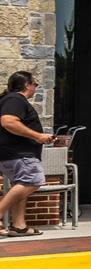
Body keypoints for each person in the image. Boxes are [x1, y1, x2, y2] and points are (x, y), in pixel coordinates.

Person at [0, 70, 55, 236]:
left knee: (21, 184)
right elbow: (8, 122)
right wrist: (38, 136)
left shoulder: (10, 99)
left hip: (12, 154)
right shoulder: (15, 99)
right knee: (33, 181)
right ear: (27, 85)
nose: (36, 88)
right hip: (20, 154)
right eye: (35, 84)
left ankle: (19, 225)